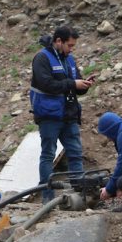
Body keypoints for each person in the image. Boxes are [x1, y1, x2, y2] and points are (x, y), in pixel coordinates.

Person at [30, 25, 95, 202]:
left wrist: (83, 86)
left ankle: (78, 194)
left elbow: (74, 86)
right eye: (70, 45)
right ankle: (48, 198)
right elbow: (47, 84)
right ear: (58, 41)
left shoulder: (69, 60)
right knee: (48, 155)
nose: (71, 49)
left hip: (69, 115)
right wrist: (73, 84)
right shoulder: (42, 58)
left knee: (75, 153)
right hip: (49, 116)